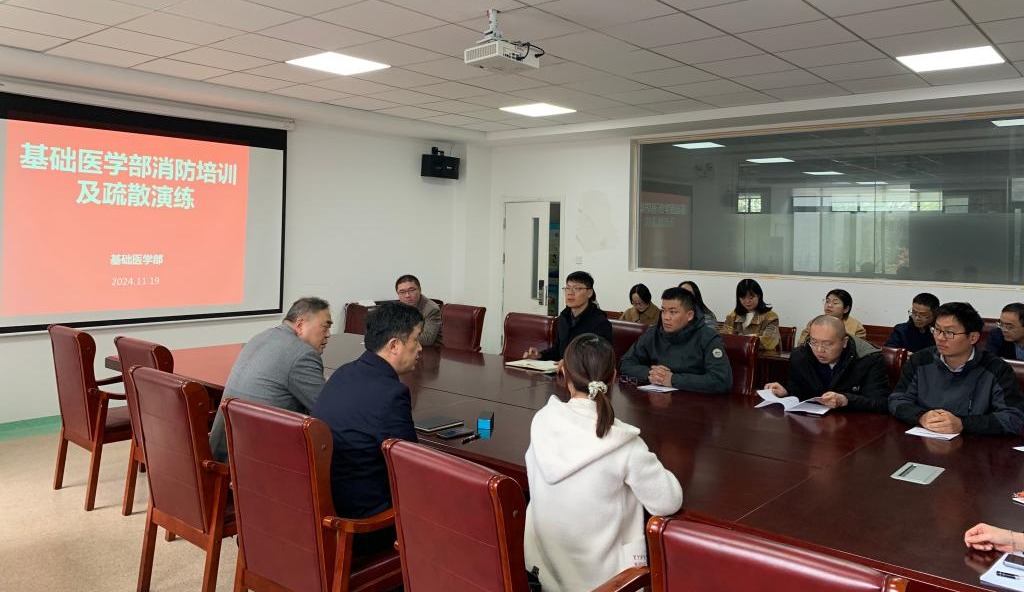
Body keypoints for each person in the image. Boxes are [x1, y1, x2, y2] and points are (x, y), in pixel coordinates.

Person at [523, 334, 683, 592]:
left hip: (541, 575)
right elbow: (668, 501)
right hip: (608, 584)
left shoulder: (542, 420)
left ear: (563, 372)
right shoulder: (624, 442)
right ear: (614, 377)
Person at [312, 302, 422, 553]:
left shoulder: (344, 372)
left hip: (329, 509)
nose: (420, 348)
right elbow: (411, 470)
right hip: (363, 526)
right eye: (416, 339)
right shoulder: (392, 393)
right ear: (394, 345)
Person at [209, 297, 333, 462]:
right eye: (325, 327)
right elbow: (327, 411)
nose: (328, 334)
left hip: (224, 451)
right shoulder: (303, 354)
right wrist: (332, 387)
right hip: (256, 461)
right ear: (300, 325)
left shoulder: (261, 337)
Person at [889, 302, 1024, 436]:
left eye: (949, 332)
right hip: (923, 438)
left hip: (973, 443)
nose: (940, 338)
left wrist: (962, 424)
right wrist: (921, 416)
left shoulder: (997, 368)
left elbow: (1013, 417)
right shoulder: (920, 360)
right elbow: (897, 400)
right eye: (937, 330)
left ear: (973, 337)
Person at [764, 315, 889, 412]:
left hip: (854, 427)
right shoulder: (801, 355)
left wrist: (845, 400)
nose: (819, 350)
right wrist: (786, 391)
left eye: (827, 344)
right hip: (811, 425)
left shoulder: (868, 358)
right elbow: (800, 389)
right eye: (814, 342)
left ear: (844, 342)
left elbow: (881, 403)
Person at [620, 287, 732, 393]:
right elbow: (625, 363)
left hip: (695, 402)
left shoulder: (708, 338)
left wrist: (673, 379)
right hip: (655, 399)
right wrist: (650, 374)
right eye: (663, 311)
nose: (666, 317)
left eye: (673, 312)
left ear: (689, 315)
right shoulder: (653, 333)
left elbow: (721, 380)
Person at [524, 271, 613, 361]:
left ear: (589, 293)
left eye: (577, 288)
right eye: (567, 288)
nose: (570, 293)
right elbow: (558, 351)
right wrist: (539, 355)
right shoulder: (563, 317)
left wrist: (569, 364)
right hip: (561, 369)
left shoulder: (600, 323)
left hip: (581, 370)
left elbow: (599, 359)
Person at [721, 278, 781, 352]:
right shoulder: (733, 316)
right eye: (743, 298)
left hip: (761, 356)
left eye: (751, 298)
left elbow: (768, 343)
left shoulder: (770, 317)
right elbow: (724, 339)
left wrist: (739, 339)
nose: (747, 301)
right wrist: (753, 337)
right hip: (736, 355)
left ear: (759, 296)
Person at [797, 289, 866, 345]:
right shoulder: (814, 322)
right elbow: (801, 343)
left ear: (846, 309)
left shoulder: (856, 327)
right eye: (827, 301)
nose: (829, 305)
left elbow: (856, 351)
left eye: (835, 303)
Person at [395, 274, 442, 347]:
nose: (407, 295)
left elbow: (427, 339)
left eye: (412, 290)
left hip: (429, 349)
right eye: (402, 292)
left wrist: (395, 334)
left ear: (419, 290)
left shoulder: (431, 309)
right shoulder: (397, 307)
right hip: (405, 346)